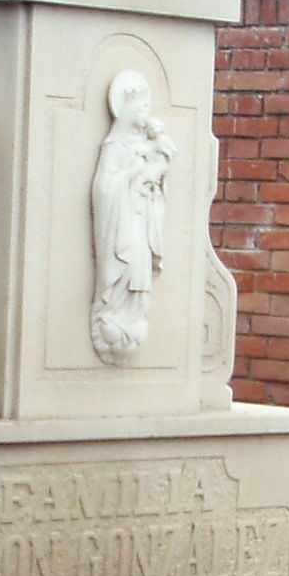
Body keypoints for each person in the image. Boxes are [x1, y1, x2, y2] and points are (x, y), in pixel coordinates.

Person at [88, 69, 176, 361]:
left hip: (140, 223)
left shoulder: (145, 146)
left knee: (140, 273)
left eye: (146, 108)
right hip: (120, 227)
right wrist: (133, 175)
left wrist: (154, 177)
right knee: (123, 268)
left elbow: (157, 186)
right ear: (124, 111)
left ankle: (133, 318)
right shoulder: (113, 147)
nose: (144, 114)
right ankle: (111, 316)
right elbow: (104, 189)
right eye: (139, 108)